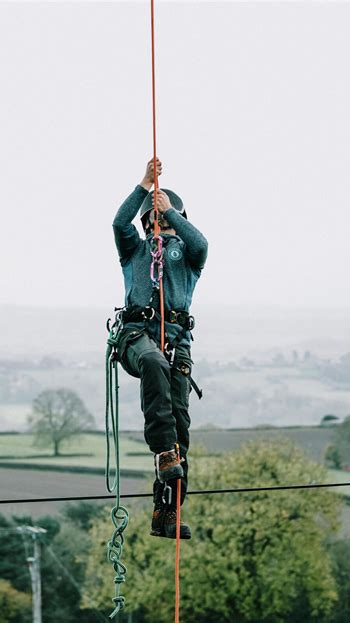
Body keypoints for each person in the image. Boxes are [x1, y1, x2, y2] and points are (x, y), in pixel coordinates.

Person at [112, 157, 208, 539]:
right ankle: (162, 450)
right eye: (156, 217)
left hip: (177, 345)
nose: (161, 222)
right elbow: (120, 223)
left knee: (181, 431)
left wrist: (172, 211)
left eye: (166, 217)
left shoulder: (188, 255)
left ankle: (166, 511)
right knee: (152, 362)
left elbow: (200, 241)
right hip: (137, 337)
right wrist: (143, 186)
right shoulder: (135, 249)